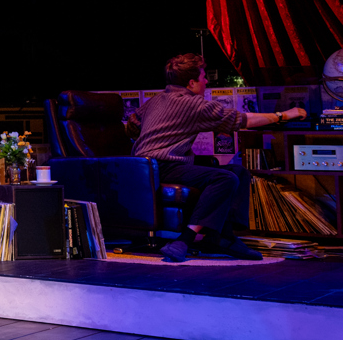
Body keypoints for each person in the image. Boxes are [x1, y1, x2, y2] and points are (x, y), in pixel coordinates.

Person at [128, 53, 307, 262]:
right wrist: (283, 115)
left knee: (238, 172)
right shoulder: (194, 104)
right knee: (224, 178)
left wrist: (157, 134)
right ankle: (185, 240)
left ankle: (223, 237)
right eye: (203, 77)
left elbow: (132, 125)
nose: (206, 82)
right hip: (164, 166)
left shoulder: (155, 100)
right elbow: (243, 120)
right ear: (192, 83)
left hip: (142, 168)